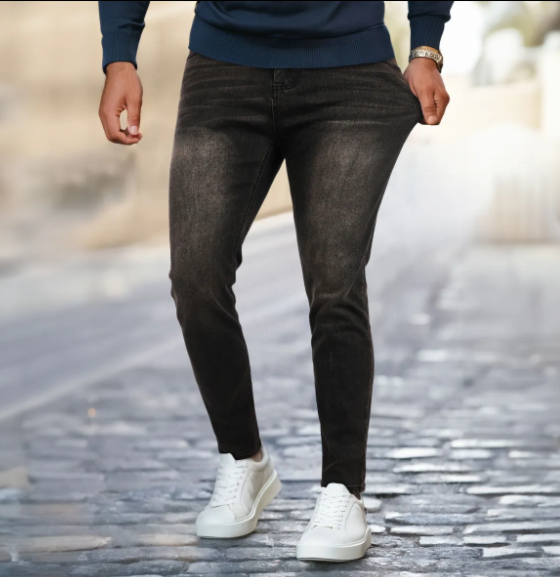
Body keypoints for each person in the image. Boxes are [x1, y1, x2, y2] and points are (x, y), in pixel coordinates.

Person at [98, 0, 453, 563]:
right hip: (224, 68)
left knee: (336, 283)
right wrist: (120, 56)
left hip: (350, 73)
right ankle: (244, 459)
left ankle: (343, 491)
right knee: (195, 278)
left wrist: (426, 46)